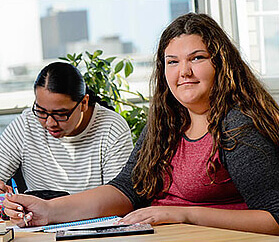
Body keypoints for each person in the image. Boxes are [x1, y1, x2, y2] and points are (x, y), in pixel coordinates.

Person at [4, 13, 279, 235]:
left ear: (221, 64)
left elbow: (275, 218)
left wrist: (181, 214)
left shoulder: (238, 126)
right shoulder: (166, 121)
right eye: (172, 62)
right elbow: (126, 189)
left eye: (197, 58)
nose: (184, 72)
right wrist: (48, 210)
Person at [0, 62, 133, 197]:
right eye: (41, 111)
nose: (49, 123)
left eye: (60, 114)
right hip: (35, 216)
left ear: (83, 103)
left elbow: (119, 197)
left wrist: (52, 210)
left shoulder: (112, 128)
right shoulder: (26, 123)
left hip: (95, 216)